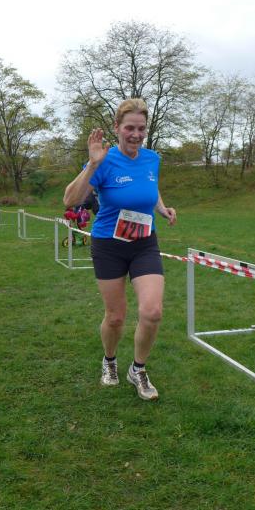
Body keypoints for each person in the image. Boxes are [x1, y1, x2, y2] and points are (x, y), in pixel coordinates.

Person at [63, 98, 177, 401]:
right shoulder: (104, 161)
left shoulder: (152, 158)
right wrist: (93, 164)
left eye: (141, 128)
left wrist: (162, 209)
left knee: (152, 312)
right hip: (109, 246)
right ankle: (110, 360)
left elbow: (150, 188)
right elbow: (70, 200)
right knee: (115, 317)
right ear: (117, 127)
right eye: (129, 128)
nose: (136, 134)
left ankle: (138, 369)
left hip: (144, 243)